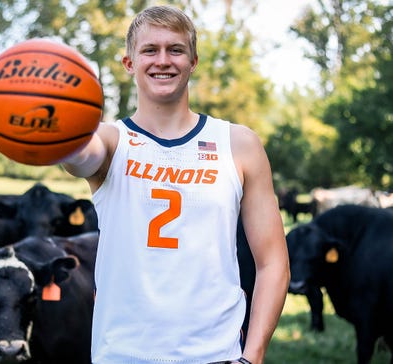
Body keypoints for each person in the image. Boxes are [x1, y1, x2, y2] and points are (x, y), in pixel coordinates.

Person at [62, 5, 289, 364]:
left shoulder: (239, 143)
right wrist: (56, 128)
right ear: (129, 63)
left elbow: (273, 261)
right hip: (122, 354)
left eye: (176, 50)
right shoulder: (110, 141)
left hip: (216, 355)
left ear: (193, 61)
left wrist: (253, 355)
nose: (163, 60)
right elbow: (78, 156)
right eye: (150, 50)